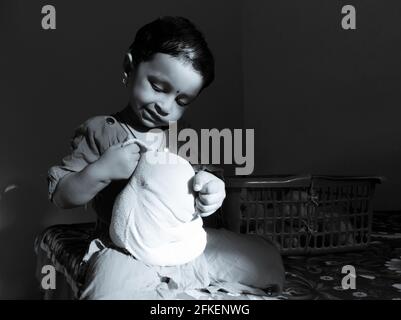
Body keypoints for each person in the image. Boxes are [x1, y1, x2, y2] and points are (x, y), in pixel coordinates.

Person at [48, 16, 284, 299]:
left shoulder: (183, 138)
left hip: (182, 245)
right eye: (158, 87)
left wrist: (212, 190)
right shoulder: (102, 131)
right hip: (126, 250)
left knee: (265, 260)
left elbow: (203, 181)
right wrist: (101, 171)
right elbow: (62, 195)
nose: (165, 106)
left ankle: (175, 283)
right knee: (106, 293)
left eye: (182, 101)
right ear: (129, 67)